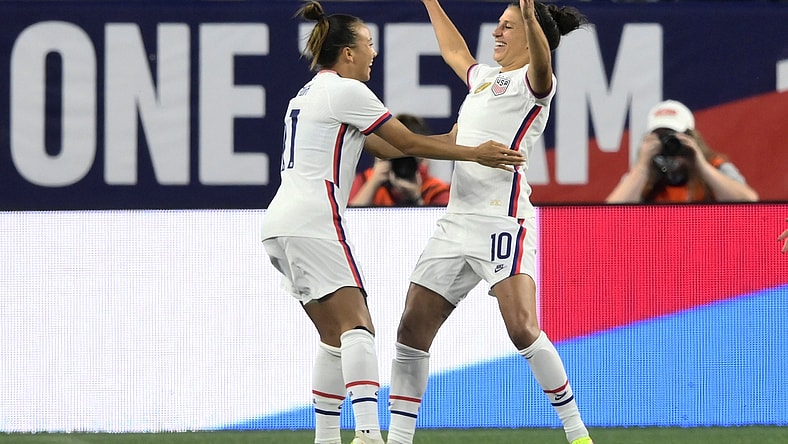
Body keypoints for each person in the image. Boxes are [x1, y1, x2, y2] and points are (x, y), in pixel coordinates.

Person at [259, 2, 523, 444]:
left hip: (278, 224)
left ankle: (326, 437)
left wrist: (454, 138)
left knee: (332, 336)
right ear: (347, 53)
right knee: (358, 328)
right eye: (368, 44)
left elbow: (384, 150)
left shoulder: (307, 93)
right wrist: (473, 152)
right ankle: (367, 435)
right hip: (314, 220)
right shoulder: (347, 91)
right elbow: (403, 140)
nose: (373, 54)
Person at [387, 1, 593, 444]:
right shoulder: (483, 80)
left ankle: (577, 433)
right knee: (411, 328)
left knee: (521, 327)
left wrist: (533, 18)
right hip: (456, 222)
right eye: (497, 25)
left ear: (531, 31)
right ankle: (398, 438)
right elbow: (454, 51)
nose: (496, 33)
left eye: (507, 26)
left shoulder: (536, 83)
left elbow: (543, 60)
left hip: (502, 219)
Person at [605, 99, 759, 203]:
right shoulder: (643, 176)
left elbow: (750, 203)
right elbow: (608, 215)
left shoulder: (716, 167)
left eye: (673, 137)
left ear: (691, 137)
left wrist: (701, 165)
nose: (666, 144)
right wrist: (642, 166)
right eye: (659, 137)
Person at [349, 114, 451, 207]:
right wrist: (374, 182)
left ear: (424, 158)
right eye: (396, 156)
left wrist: (416, 199)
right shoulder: (367, 180)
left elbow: (441, 225)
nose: (403, 163)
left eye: (410, 158)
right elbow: (348, 220)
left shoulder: (436, 190)